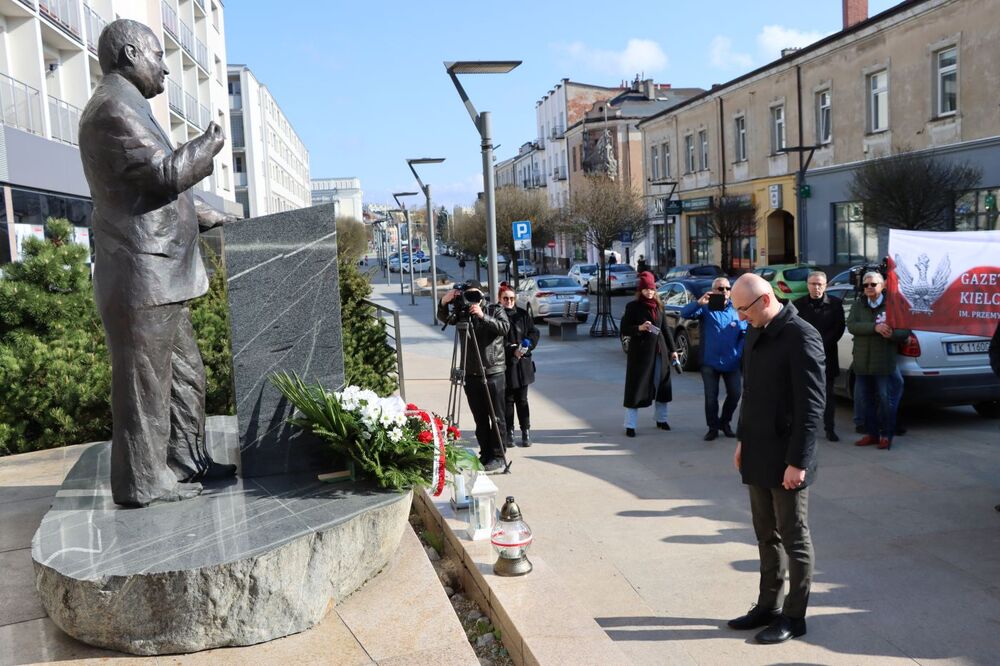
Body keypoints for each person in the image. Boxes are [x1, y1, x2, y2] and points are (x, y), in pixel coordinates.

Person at [78, 19, 237, 507]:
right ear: (130, 54)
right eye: (156, 55)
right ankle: (144, 481)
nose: (165, 66)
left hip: (160, 275)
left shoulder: (127, 105)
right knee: (145, 387)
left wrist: (207, 216)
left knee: (186, 375)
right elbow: (163, 174)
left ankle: (186, 460)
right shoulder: (111, 109)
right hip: (140, 276)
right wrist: (208, 144)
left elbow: (146, 190)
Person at [728, 273, 825, 645]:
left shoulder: (802, 336)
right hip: (757, 451)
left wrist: (798, 461)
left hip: (788, 457)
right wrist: (741, 439)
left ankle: (794, 616)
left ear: (765, 300)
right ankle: (767, 605)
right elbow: (749, 394)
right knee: (764, 534)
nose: (740, 318)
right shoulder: (756, 329)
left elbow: (812, 407)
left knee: (794, 537)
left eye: (743, 309)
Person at [437, 281, 510, 472]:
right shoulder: (462, 311)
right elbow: (444, 319)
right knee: (480, 418)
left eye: (475, 294)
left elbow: (504, 328)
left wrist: (482, 315)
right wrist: (444, 302)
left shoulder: (494, 310)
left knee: (496, 418)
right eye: (468, 295)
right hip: (471, 373)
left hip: (493, 371)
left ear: (482, 294)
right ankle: (485, 453)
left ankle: (498, 455)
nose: (471, 299)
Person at [847, 271, 911, 450]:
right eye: (865, 284)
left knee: (886, 400)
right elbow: (852, 325)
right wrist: (875, 327)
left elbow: (904, 331)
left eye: (873, 284)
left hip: (883, 363)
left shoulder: (894, 306)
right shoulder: (858, 305)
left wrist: (892, 334)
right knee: (866, 401)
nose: (868, 287)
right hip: (862, 362)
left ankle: (886, 435)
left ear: (882, 286)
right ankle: (871, 434)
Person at [680, 276, 748, 441]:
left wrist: (738, 353)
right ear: (712, 291)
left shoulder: (737, 310)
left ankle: (724, 422)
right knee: (711, 397)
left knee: (735, 394)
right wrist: (699, 303)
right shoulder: (706, 308)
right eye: (720, 288)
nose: (724, 291)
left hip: (731, 362)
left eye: (727, 288)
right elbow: (685, 313)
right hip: (709, 361)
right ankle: (712, 427)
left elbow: (744, 334)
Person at [620, 272, 679, 437]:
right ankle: (630, 425)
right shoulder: (633, 307)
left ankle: (661, 420)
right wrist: (639, 328)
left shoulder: (659, 306)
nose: (649, 292)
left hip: (661, 353)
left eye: (652, 289)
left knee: (662, 387)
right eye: (646, 289)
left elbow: (666, 330)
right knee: (636, 388)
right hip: (640, 355)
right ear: (641, 290)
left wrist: (673, 350)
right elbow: (624, 329)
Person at [793, 271, 846, 441]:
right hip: (805, 358)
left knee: (828, 396)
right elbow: (795, 329)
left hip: (827, 356)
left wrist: (820, 345)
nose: (816, 287)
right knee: (805, 396)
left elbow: (838, 328)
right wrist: (809, 346)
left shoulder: (835, 304)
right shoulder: (798, 305)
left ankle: (829, 428)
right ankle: (806, 428)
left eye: (819, 284)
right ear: (807, 285)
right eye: (813, 284)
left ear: (826, 285)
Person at [499, 285, 540, 448]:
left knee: (522, 400)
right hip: (507, 364)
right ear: (500, 299)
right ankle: (509, 433)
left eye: (511, 298)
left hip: (523, 364)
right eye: (505, 298)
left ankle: (526, 432)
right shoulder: (498, 315)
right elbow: (497, 340)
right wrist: (511, 350)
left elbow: (534, 332)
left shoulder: (522, 314)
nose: (509, 301)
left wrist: (526, 346)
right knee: (508, 401)